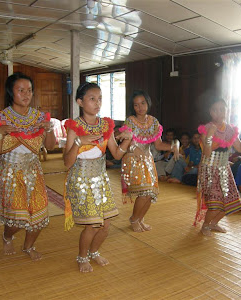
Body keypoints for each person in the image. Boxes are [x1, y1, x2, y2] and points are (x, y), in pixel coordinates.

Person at [63, 82, 132, 273]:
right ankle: (82, 256)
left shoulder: (105, 125)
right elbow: (67, 163)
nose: (97, 102)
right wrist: (79, 141)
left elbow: (117, 155)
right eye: (92, 98)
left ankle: (94, 252)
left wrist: (127, 138)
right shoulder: (74, 127)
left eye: (100, 98)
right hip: (80, 180)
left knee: (106, 224)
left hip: (100, 180)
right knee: (93, 224)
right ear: (80, 101)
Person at [0, 72, 56, 261]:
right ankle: (7, 236)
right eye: (21, 90)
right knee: (17, 218)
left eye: (29, 90)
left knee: (39, 217)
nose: (26, 94)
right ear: (11, 92)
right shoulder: (0, 118)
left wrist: (49, 129)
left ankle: (28, 246)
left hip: (34, 172)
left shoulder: (40, 117)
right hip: (10, 172)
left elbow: (50, 146)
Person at [195, 98, 241, 236]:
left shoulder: (230, 129)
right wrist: (210, 135)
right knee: (215, 201)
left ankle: (214, 223)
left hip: (224, 170)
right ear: (210, 112)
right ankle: (205, 226)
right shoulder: (207, 128)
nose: (219, 112)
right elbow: (206, 152)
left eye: (222, 109)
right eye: (215, 109)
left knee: (230, 201)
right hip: (209, 169)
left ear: (227, 110)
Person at [120, 90, 179, 233]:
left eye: (143, 103)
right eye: (136, 105)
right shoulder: (130, 121)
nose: (140, 107)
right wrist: (134, 147)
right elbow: (125, 142)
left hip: (147, 158)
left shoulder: (154, 122)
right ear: (132, 107)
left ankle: (140, 219)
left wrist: (174, 145)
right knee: (145, 192)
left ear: (148, 103)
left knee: (151, 192)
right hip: (133, 159)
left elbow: (158, 146)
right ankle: (134, 219)